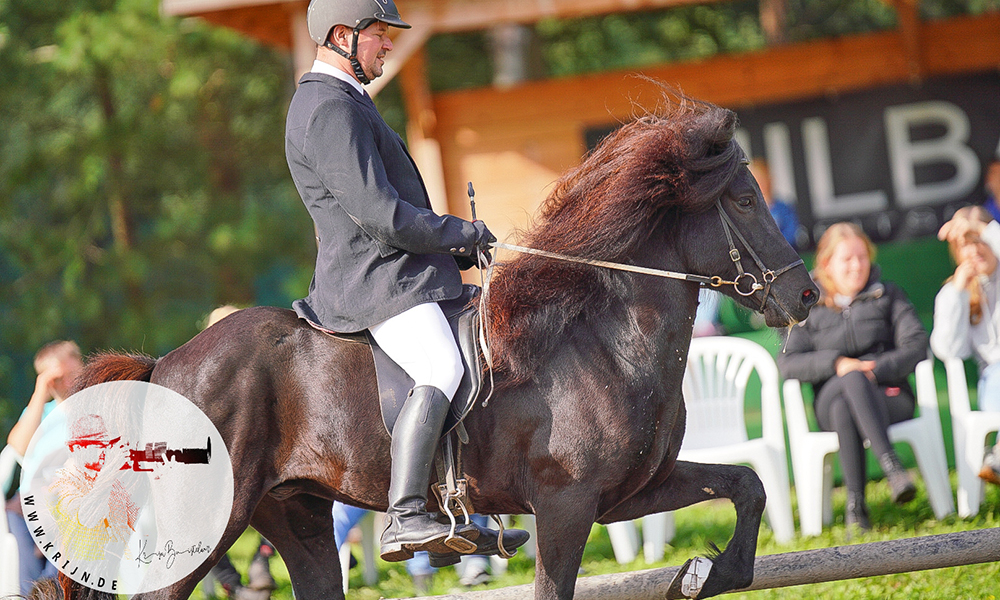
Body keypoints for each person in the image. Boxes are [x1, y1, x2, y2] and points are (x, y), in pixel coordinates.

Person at [285, 0, 526, 563]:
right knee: (442, 366)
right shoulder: (326, 108)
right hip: (375, 281)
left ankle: (455, 510)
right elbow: (380, 214)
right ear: (343, 36)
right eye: (379, 35)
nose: (389, 45)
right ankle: (407, 516)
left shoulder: (346, 101)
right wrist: (456, 233)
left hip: (396, 272)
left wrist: (456, 246)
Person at [777, 223, 928, 531]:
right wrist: (837, 363)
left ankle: (856, 508)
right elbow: (788, 365)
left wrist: (875, 369)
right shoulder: (809, 309)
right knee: (849, 380)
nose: (857, 266)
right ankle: (892, 467)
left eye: (862, 257)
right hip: (828, 400)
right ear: (827, 264)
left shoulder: (888, 295)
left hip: (890, 397)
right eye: (847, 259)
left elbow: (916, 345)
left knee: (849, 398)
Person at [5, 341, 83, 595]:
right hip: (28, 509)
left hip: (68, 508)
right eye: (60, 378)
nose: (70, 383)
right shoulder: (42, 412)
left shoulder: (91, 409)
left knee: (55, 585)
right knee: (28, 584)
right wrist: (41, 392)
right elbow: (17, 446)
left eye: (74, 374)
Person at [931, 206, 1000, 485]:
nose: (975, 250)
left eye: (979, 240)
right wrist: (958, 294)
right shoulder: (954, 292)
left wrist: (983, 228)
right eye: (965, 244)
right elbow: (949, 350)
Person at [749, 159, 800, 249]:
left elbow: (791, 234)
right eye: (755, 180)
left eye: (761, 179)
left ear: (769, 179)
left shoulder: (784, 208)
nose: (759, 184)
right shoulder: (747, 211)